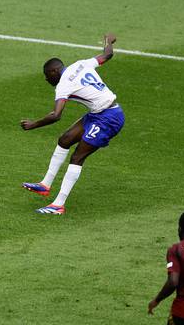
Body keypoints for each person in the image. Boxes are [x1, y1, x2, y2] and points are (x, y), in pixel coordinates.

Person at [20, 33, 124, 215]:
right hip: (98, 113)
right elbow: (107, 55)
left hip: (110, 118)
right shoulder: (80, 64)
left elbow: (56, 115)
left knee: (77, 157)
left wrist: (33, 125)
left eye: (47, 76)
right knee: (65, 139)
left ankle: (58, 205)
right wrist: (109, 40)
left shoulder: (63, 85)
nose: (46, 80)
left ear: (54, 72)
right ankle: (45, 185)